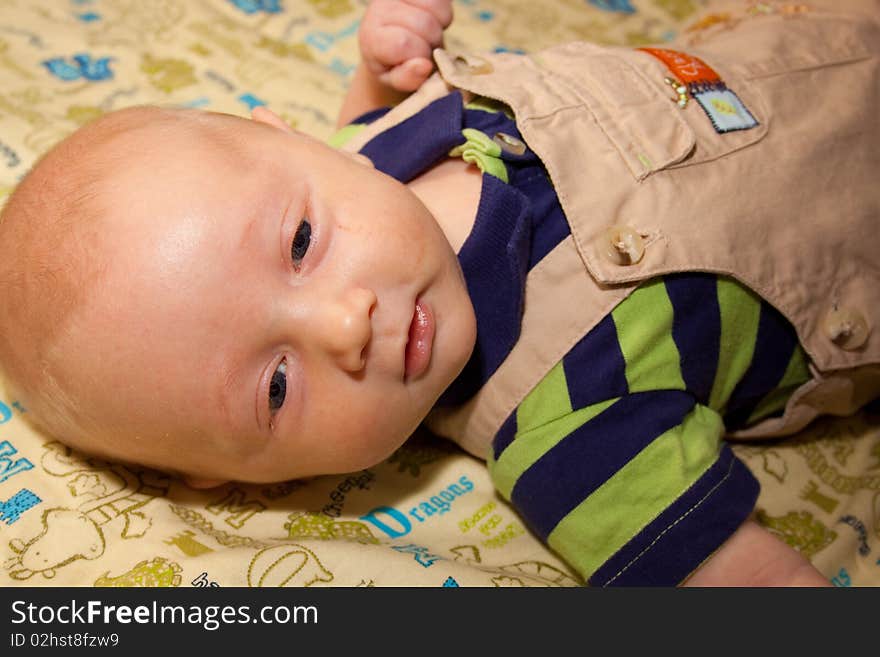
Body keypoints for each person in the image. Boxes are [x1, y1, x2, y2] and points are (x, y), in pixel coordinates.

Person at [0, 0, 876, 586]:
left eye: (301, 243)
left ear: (297, 139)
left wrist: (383, 63)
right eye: (274, 384)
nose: (348, 322)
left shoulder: (375, 142)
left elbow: (362, 122)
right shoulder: (568, 436)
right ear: (228, 479)